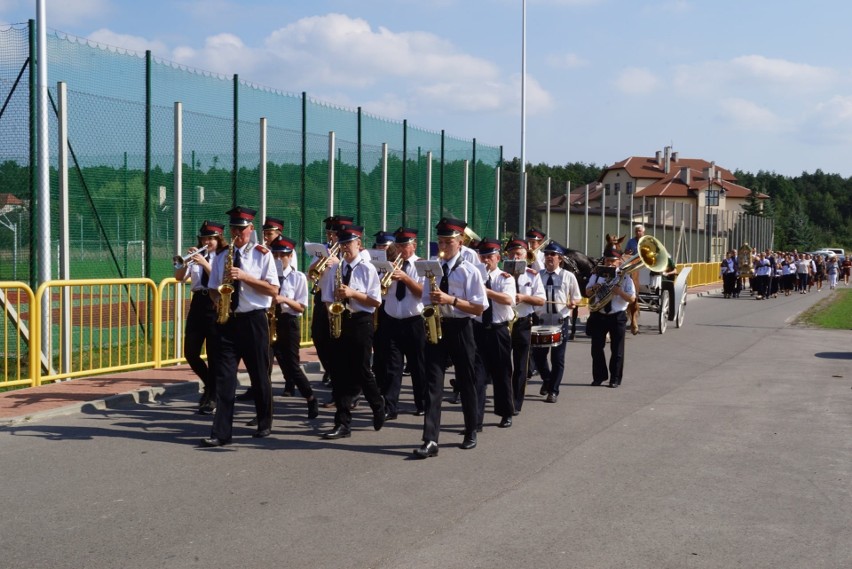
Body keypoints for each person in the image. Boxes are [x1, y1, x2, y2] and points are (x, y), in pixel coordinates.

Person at [201, 206, 280, 447]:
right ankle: (221, 432)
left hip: (254, 319)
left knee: (258, 374)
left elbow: (273, 290)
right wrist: (218, 300)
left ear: (251, 229)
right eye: (234, 229)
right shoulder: (223, 255)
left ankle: (264, 421)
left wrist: (245, 277)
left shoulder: (262, 254)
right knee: (225, 378)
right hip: (228, 320)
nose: (237, 233)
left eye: (242, 229)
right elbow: (213, 288)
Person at [413, 218, 487, 459]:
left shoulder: (470, 270)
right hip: (437, 325)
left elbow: (479, 308)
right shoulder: (432, 267)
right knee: (432, 384)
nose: (443, 247)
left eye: (449, 242)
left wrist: (450, 300)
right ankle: (430, 439)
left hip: (461, 327)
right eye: (440, 242)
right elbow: (424, 297)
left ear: (461, 242)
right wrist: (430, 304)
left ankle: (470, 430)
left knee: (466, 380)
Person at [319, 225, 386, 440]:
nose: (345, 248)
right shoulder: (335, 268)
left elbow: (375, 301)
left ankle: (378, 404)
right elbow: (327, 297)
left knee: (362, 370)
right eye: (342, 244)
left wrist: (352, 293)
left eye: (349, 243)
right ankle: (342, 423)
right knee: (339, 374)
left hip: (360, 321)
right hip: (340, 320)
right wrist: (332, 311)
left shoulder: (367, 268)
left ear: (359, 244)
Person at [175, 220, 225, 415]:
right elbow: (180, 277)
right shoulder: (197, 257)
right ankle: (210, 385)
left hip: (215, 302)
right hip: (198, 302)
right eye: (205, 238)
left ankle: (212, 395)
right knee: (191, 352)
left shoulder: (222, 257)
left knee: (214, 354)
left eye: (211, 238)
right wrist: (186, 261)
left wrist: (205, 264)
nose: (207, 241)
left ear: (219, 239)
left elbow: (220, 280)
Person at [378, 227, 427, 420]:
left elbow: (422, 292)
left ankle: (422, 403)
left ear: (413, 246)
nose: (400, 249)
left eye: (404, 245)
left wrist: (405, 278)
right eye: (398, 245)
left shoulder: (422, 264)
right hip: (391, 320)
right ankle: (391, 406)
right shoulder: (388, 265)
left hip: (414, 320)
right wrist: (386, 280)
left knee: (418, 365)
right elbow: (380, 292)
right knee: (392, 365)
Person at [269, 235, 319, 419]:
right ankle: (264, 411)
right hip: (270, 321)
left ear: (290, 256)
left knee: (292, 366)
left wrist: (283, 299)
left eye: (282, 255)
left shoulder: (298, 277)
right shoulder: (269, 277)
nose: (278, 258)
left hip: (289, 322)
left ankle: (310, 397)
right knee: (264, 365)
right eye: (275, 254)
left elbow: (301, 307)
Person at [473, 238, 516, 429]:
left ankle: (506, 412)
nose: (485, 261)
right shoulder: (474, 276)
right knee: (477, 377)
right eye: (482, 257)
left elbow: (508, 299)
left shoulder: (505, 277)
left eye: (489, 257)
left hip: (498, 330)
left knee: (502, 374)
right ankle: (476, 420)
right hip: (479, 329)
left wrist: (486, 291)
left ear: (497, 257)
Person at [531, 241, 582, 403]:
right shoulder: (538, 276)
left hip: (560, 320)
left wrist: (573, 303)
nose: (548, 257)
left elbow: (577, 296)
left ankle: (553, 391)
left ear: (560, 258)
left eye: (552, 255)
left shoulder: (568, 276)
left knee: (557, 358)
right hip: (541, 320)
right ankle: (547, 379)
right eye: (546, 255)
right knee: (538, 356)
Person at [504, 238, 545, 414]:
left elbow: (541, 300)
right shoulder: (501, 275)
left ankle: (516, 402)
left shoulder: (532, 275)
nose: (515, 257)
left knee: (521, 366)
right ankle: (505, 398)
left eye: (518, 254)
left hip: (522, 322)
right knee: (504, 365)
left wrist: (524, 298)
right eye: (512, 254)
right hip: (504, 323)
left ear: (525, 255)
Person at [586, 248, 636, 388]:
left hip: (617, 316)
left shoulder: (625, 277)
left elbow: (632, 298)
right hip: (599, 314)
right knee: (596, 348)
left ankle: (615, 378)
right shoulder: (597, 275)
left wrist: (619, 292)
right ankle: (599, 376)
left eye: (613, 261)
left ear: (619, 261)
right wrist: (594, 288)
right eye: (607, 261)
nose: (610, 264)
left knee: (617, 350)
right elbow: (587, 291)